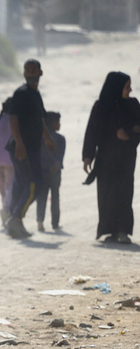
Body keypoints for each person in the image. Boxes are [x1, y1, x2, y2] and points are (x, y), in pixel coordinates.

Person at [82, 71, 140, 243]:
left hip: (126, 157)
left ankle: (123, 231)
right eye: (126, 87)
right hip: (105, 157)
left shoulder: (133, 105)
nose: (129, 91)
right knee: (106, 192)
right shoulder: (101, 106)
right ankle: (109, 230)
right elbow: (91, 132)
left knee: (124, 191)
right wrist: (87, 156)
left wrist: (128, 134)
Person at [5, 59, 56, 238]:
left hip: (32, 146)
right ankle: (16, 218)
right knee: (35, 184)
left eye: (34, 71)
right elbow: (13, 119)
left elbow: (39, 119)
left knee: (22, 184)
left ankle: (13, 221)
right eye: (28, 71)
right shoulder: (22, 93)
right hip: (23, 147)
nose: (31, 74)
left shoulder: (35, 94)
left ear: (40, 73)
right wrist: (19, 143)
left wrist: (48, 138)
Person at [36, 111, 65, 232]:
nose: (60, 125)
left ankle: (40, 222)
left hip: (42, 171)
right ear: (53, 124)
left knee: (41, 197)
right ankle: (55, 223)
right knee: (55, 196)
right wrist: (56, 165)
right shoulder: (60, 138)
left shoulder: (39, 137)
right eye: (58, 122)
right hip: (54, 172)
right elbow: (60, 155)